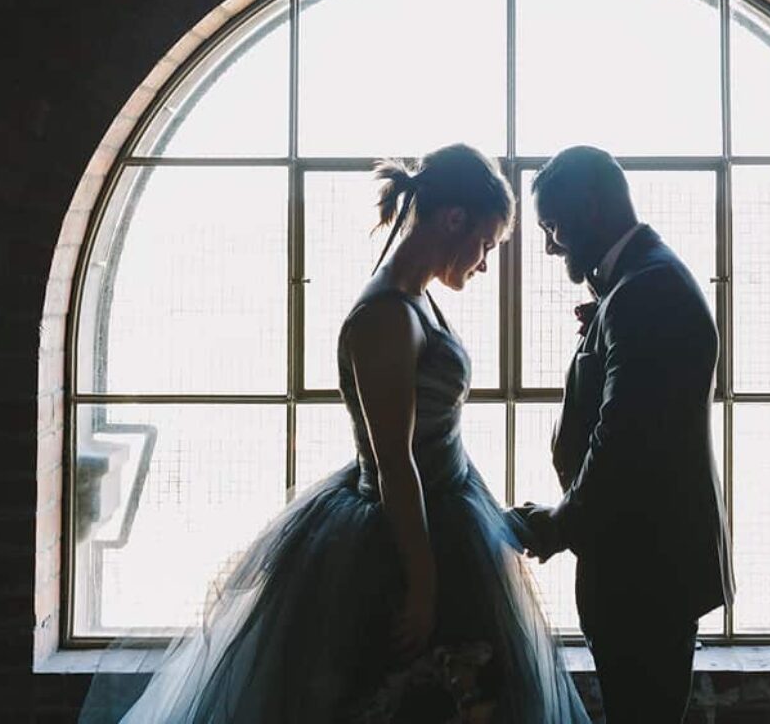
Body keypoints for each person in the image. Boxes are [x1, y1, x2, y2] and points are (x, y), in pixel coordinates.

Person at [81, 143, 589, 723]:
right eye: (487, 244)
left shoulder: (417, 301)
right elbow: (394, 459)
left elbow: (433, 436)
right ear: (454, 219)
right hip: (404, 538)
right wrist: (422, 584)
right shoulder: (385, 317)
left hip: (446, 513)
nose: (483, 263)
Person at [510, 146, 735, 724]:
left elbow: (624, 441)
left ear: (590, 208)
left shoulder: (647, 291)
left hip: (645, 572)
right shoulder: (635, 285)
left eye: (553, 226)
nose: (550, 246)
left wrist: (561, 524)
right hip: (638, 562)